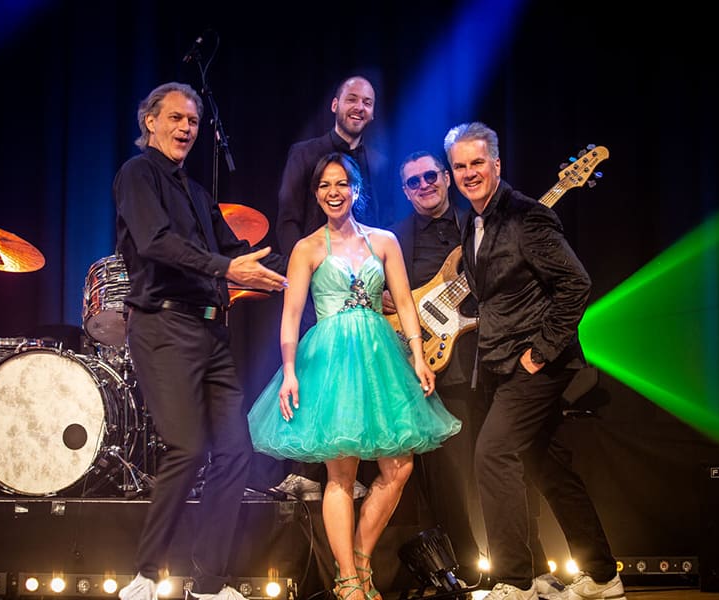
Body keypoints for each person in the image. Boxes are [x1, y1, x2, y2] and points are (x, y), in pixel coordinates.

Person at [248, 152, 461, 600]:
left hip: (380, 358)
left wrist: (418, 356)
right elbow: (290, 317)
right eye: (325, 185)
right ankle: (348, 581)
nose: (333, 192)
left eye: (341, 183)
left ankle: (359, 559)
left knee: (399, 467)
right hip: (331, 362)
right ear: (316, 194)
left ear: (356, 189)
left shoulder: (384, 241)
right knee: (340, 475)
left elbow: (405, 304)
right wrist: (289, 372)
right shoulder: (307, 248)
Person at [114, 81, 289, 600]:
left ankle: (209, 584)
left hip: (212, 331)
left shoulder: (197, 193)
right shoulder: (137, 174)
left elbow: (238, 253)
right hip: (163, 326)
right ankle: (147, 574)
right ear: (151, 121)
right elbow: (156, 242)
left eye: (192, 121)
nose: (186, 128)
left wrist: (314, 258)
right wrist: (226, 268)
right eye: (176, 118)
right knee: (187, 447)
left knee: (235, 452)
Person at [443, 122, 624, 600]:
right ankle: (603, 576)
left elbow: (576, 285)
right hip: (499, 364)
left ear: (496, 164)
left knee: (492, 455)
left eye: (477, 163)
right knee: (547, 467)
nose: (468, 173)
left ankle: (515, 580)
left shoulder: (528, 217)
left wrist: (540, 352)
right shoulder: (472, 222)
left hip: (538, 365)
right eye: (459, 166)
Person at [272, 75, 392, 499]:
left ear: (373, 112)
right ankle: (308, 471)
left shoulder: (377, 161)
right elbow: (287, 218)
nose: (359, 107)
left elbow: (380, 225)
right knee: (317, 375)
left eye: (367, 102)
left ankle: (349, 466)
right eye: (352, 99)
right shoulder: (305, 153)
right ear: (335, 105)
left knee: (361, 379)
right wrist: (303, 276)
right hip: (317, 283)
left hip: (364, 289)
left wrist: (379, 280)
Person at [382, 151, 486, 583]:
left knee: (485, 464)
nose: (424, 185)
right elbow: (370, 291)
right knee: (441, 474)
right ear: (405, 191)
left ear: (446, 177)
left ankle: (512, 563)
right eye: (414, 181)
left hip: (474, 357)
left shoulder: (477, 224)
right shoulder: (394, 236)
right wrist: (386, 298)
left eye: (430, 176)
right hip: (416, 361)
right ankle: (460, 567)